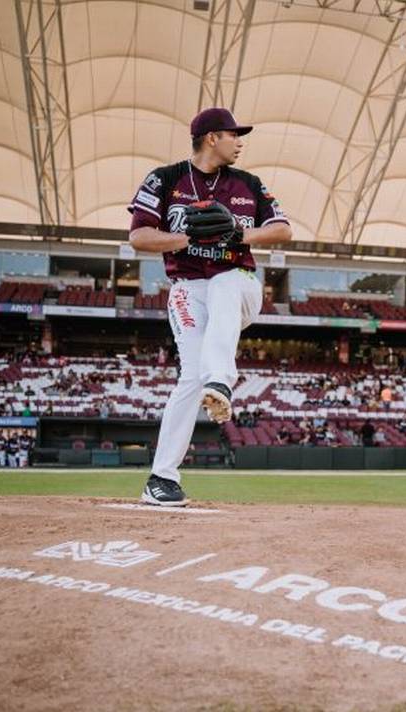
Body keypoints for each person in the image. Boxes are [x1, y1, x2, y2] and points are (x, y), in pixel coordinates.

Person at [128, 107, 292, 506]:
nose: (240, 141)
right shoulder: (165, 178)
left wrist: (237, 233)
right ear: (212, 137)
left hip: (239, 286)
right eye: (234, 134)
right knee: (189, 380)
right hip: (187, 289)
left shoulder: (248, 183)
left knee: (224, 281)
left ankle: (220, 379)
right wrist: (183, 238)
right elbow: (139, 237)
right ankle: (161, 480)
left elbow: (283, 230)